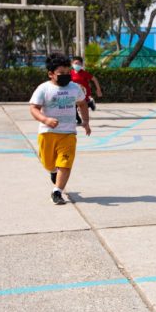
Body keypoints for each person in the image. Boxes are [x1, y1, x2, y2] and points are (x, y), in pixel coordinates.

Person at [29, 54, 91, 205]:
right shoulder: (43, 88)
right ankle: (52, 172)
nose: (65, 76)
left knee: (65, 163)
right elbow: (33, 108)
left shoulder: (74, 88)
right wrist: (45, 120)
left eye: (67, 73)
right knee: (48, 163)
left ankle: (57, 192)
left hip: (68, 133)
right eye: (60, 73)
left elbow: (82, 104)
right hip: (47, 133)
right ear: (50, 74)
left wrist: (86, 122)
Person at [70, 56, 103, 125]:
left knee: (81, 106)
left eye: (79, 64)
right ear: (72, 64)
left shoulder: (84, 73)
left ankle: (89, 103)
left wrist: (98, 89)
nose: (77, 65)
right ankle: (78, 119)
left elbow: (95, 79)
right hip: (74, 93)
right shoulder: (70, 73)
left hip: (84, 93)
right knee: (73, 107)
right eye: (76, 63)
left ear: (82, 65)